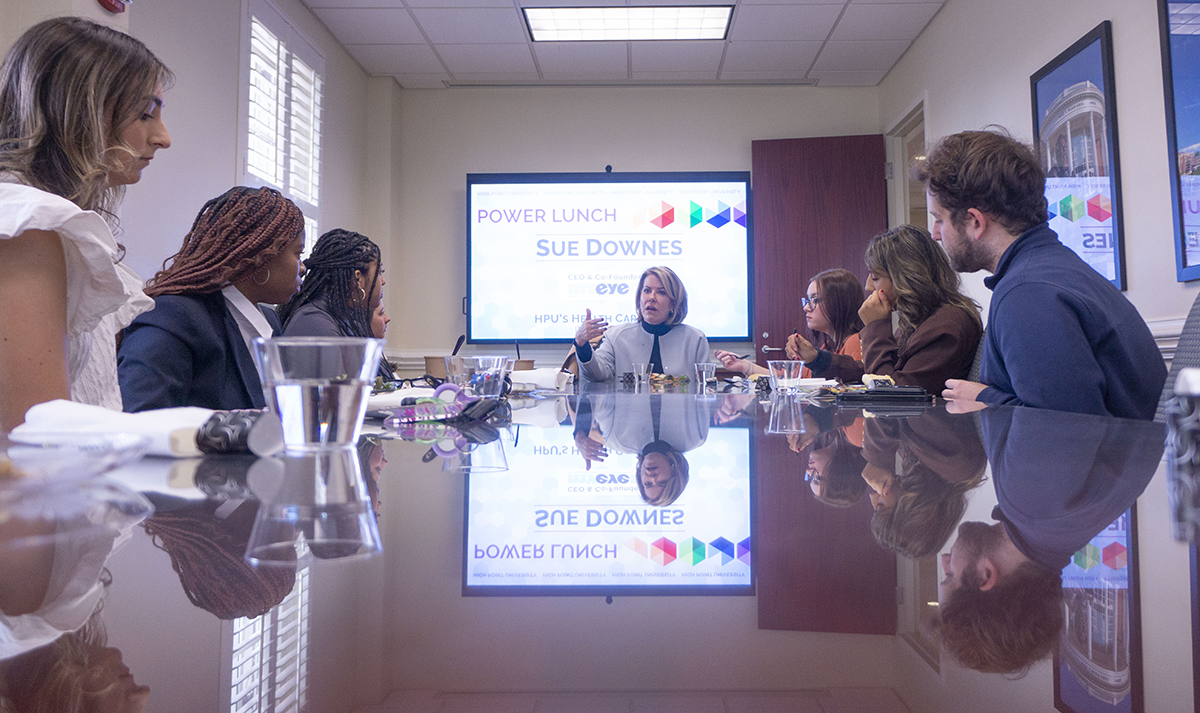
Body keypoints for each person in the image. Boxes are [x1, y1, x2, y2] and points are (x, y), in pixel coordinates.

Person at [920, 129, 1166, 420]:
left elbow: (1063, 438)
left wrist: (985, 399)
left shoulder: (1027, 293)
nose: (935, 234)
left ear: (975, 222)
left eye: (939, 220)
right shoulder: (1054, 269)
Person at [0, 17, 171, 429]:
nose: (163, 137)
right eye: (146, 114)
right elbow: (33, 437)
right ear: (83, 112)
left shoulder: (53, 223)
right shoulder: (27, 223)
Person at [117, 187, 305, 411]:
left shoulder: (270, 321)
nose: (302, 268)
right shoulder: (173, 316)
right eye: (298, 254)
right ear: (261, 256)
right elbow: (141, 418)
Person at [858, 224, 983, 394]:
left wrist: (875, 327)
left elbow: (891, 394)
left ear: (904, 278)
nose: (868, 286)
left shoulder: (945, 326)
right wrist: (818, 358)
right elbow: (887, 365)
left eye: (875, 277)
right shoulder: (922, 320)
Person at [278, 228, 392, 380]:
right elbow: (329, 399)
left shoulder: (343, 319)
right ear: (358, 278)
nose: (382, 281)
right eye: (379, 272)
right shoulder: (315, 322)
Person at [716, 268, 865, 383]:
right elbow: (791, 379)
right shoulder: (827, 346)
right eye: (807, 300)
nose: (806, 307)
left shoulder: (855, 342)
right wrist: (745, 366)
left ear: (839, 304)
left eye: (815, 300)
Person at [574, 266, 710, 381]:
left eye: (661, 292)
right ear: (639, 297)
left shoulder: (695, 339)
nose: (651, 298)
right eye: (647, 290)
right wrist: (581, 344)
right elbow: (596, 375)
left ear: (674, 303)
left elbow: (706, 389)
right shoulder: (616, 336)